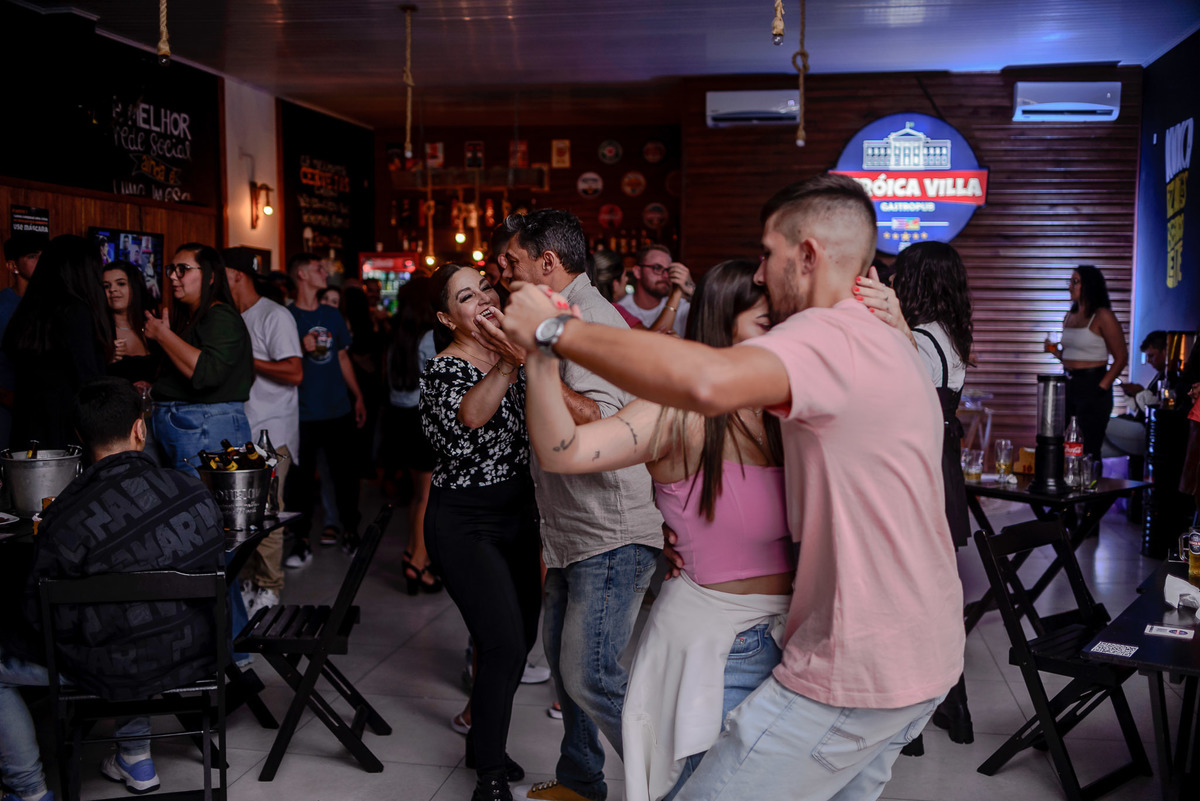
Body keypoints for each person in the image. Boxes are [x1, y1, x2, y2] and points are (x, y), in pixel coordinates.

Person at [501, 174, 964, 801]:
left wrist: (554, 331)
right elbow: (587, 446)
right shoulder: (883, 339)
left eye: (769, 254)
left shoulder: (828, 336)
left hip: (860, 660)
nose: (760, 273)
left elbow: (709, 379)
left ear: (808, 255)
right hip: (925, 651)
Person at [524, 260, 791, 801]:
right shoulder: (678, 415)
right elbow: (563, 451)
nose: (787, 337)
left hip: (796, 637)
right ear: (722, 324)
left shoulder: (789, 409)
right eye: (769, 322)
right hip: (719, 642)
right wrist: (539, 358)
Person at [486, 210, 664, 801]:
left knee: (590, 676)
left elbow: (604, 420)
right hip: (572, 530)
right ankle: (582, 781)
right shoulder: (559, 316)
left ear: (548, 262)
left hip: (609, 529)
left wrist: (528, 361)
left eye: (512, 259)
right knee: (567, 672)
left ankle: (678, 784)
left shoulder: (584, 319)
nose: (502, 269)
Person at [0, 377, 224, 801]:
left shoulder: (63, 516)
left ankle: (29, 791)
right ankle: (136, 758)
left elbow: (40, 616)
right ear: (140, 428)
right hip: (194, 651)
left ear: (80, 437)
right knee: (129, 624)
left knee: (104, 632)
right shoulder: (192, 492)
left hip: (116, 660)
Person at [419, 264, 540, 801]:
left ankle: (479, 743)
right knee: (503, 643)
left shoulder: (512, 351)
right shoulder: (444, 368)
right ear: (448, 318)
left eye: (486, 286)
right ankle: (489, 777)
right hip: (465, 521)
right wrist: (510, 365)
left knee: (521, 638)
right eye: (466, 296)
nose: (484, 297)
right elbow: (470, 418)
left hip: (519, 514)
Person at [855, 240, 977, 754]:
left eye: (900, 276)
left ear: (916, 282)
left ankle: (910, 721)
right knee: (933, 596)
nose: (893, 283)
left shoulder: (917, 339)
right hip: (941, 468)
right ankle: (953, 708)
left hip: (914, 471)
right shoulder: (950, 335)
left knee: (905, 598)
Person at [225, 251, 303, 615]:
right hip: (239, 427)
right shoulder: (229, 315)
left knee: (268, 511)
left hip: (272, 429)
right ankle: (247, 581)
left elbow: (294, 372)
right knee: (240, 514)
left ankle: (269, 587)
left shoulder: (274, 315)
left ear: (237, 275)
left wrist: (247, 360)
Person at [284, 254, 367, 565]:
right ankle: (301, 540)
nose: (325, 273)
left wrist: (357, 395)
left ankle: (350, 531)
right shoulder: (286, 316)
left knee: (345, 476)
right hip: (303, 412)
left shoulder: (331, 315)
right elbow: (280, 362)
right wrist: (298, 346)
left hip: (338, 410)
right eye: (319, 269)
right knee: (301, 481)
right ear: (302, 275)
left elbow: (342, 357)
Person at [145, 244, 254, 475]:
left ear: (210, 276)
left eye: (183, 269)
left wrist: (163, 335)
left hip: (206, 423)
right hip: (185, 423)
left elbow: (206, 373)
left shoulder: (221, 315)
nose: (173, 276)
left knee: (204, 495)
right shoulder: (191, 318)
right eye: (172, 269)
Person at [2, 234, 112, 450]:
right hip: (67, 436)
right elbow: (89, 380)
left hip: (26, 431)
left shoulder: (28, 310)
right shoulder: (75, 311)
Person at [383, 275, 441, 594]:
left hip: (400, 418)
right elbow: (438, 383)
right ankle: (418, 562)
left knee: (417, 494)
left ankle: (412, 553)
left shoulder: (397, 336)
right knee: (426, 496)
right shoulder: (429, 337)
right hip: (421, 420)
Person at [1044, 265, 1128, 460]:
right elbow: (1071, 355)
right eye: (1070, 282)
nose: (1070, 286)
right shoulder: (1069, 315)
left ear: (1089, 285)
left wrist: (1101, 387)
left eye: (1075, 282)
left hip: (1093, 383)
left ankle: (1090, 480)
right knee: (1064, 443)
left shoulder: (1102, 315)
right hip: (1068, 383)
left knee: (1088, 447)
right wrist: (1054, 351)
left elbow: (1121, 357)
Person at [0, 232, 45, 450]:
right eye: (32, 256)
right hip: (6, 406)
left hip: (44, 407)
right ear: (12, 266)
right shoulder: (2, 305)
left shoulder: (53, 304)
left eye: (43, 256)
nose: (41, 261)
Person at [102, 259, 160, 389]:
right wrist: (105, 359)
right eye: (106, 286)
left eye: (121, 283)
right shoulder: (99, 331)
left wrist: (152, 388)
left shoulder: (152, 326)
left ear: (135, 286)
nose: (112, 290)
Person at [617, 245, 694, 336]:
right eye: (657, 268)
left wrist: (692, 289)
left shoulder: (681, 307)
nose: (665, 275)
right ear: (637, 272)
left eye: (668, 270)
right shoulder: (620, 309)